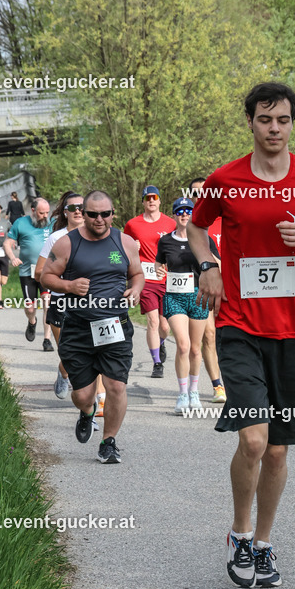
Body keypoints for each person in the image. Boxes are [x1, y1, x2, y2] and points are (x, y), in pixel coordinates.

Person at [189, 81, 295, 589]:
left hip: (293, 331)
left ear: (292, 123)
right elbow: (196, 228)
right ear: (250, 122)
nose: (274, 128)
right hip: (238, 324)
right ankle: (239, 534)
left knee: (279, 450)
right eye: (265, 119)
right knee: (255, 440)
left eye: (282, 119)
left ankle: (263, 543)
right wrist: (208, 265)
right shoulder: (225, 179)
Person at [39, 190, 144, 464]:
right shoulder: (67, 244)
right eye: (93, 214)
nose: (100, 219)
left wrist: (135, 289)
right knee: (83, 395)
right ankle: (87, 412)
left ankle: (108, 442)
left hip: (115, 324)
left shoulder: (124, 242)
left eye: (105, 214)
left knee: (116, 386)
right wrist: (69, 285)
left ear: (113, 214)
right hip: (79, 327)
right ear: (83, 214)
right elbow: (45, 277)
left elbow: (137, 274)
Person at [156, 196, 219, 413]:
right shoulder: (165, 241)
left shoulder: (205, 238)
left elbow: (218, 263)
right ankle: (182, 394)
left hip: (198, 296)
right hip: (175, 296)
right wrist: (158, 269)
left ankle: (194, 391)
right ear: (174, 215)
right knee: (182, 345)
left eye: (188, 211)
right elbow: (158, 262)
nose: (184, 214)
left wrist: (211, 263)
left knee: (195, 348)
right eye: (180, 211)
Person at [34, 191, 86, 402]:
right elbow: (39, 272)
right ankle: (64, 374)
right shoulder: (56, 238)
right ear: (65, 212)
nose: (77, 211)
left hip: (89, 300)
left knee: (89, 349)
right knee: (69, 351)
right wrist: (64, 280)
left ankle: (90, 398)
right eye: (72, 208)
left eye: (81, 207)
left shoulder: (96, 235)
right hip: (61, 300)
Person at [123, 185, 175, 378]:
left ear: (160, 200)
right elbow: (123, 250)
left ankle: (161, 343)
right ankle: (157, 363)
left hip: (167, 278)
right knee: (153, 321)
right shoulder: (132, 225)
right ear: (143, 202)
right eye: (147, 198)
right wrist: (132, 248)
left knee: (165, 326)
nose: (151, 201)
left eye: (154, 197)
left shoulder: (171, 223)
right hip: (146, 278)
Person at [189, 175, 226, 403]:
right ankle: (217, 385)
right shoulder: (189, 223)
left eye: (205, 192)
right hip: (203, 286)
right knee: (209, 335)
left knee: (230, 337)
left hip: (233, 286)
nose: (200, 196)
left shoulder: (226, 217)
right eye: (195, 193)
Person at [3, 198, 52, 346]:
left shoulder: (52, 223)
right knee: (30, 308)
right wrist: (13, 258)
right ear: (33, 210)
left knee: (47, 303)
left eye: (47, 213)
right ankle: (32, 321)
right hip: (27, 271)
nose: (45, 216)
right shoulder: (20, 223)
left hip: (46, 271)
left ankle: (47, 339)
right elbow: (7, 243)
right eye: (42, 213)